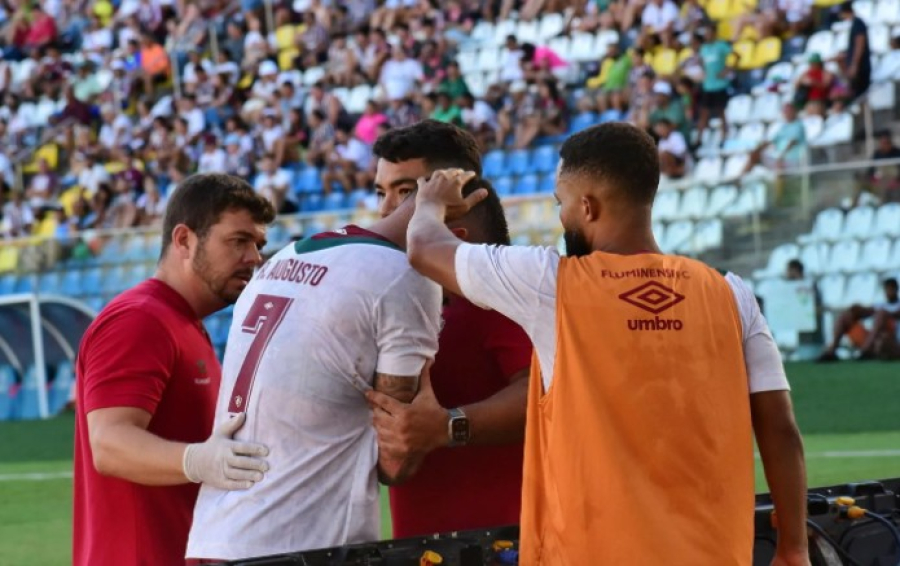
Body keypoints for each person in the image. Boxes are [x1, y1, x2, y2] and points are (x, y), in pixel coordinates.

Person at [404, 123, 809, 565]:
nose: (562, 218)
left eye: (562, 205)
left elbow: (424, 247)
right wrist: (793, 547)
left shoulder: (550, 284)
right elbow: (781, 429)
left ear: (587, 207)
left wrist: (429, 201)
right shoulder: (731, 293)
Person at [185, 138, 488, 561]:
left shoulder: (282, 257)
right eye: (381, 190)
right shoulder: (402, 276)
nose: (386, 204)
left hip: (215, 536)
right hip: (304, 543)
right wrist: (441, 424)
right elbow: (394, 458)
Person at [73, 174, 277, 566]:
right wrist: (199, 461)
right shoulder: (140, 319)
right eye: (238, 241)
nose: (254, 257)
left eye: (258, 244)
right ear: (184, 240)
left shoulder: (181, 322)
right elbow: (110, 444)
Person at [366, 120, 532, 537]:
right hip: (421, 546)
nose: (387, 210)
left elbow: (546, 392)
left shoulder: (498, 288)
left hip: (503, 545)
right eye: (381, 193)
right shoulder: (402, 295)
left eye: (406, 193)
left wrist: (448, 425)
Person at [818, 278, 900, 361]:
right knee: (846, 316)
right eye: (887, 289)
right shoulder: (880, 305)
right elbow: (868, 311)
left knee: (881, 319)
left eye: (891, 289)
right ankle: (832, 350)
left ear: (896, 289)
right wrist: (857, 310)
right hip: (875, 340)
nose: (889, 292)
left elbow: (893, 314)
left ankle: (865, 350)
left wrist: (883, 313)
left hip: (892, 341)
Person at [837, 0, 871, 101]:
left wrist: (854, 64)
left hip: (861, 66)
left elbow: (859, 44)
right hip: (858, 65)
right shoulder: (855, 24)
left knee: (859, 95)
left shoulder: (858, 23)